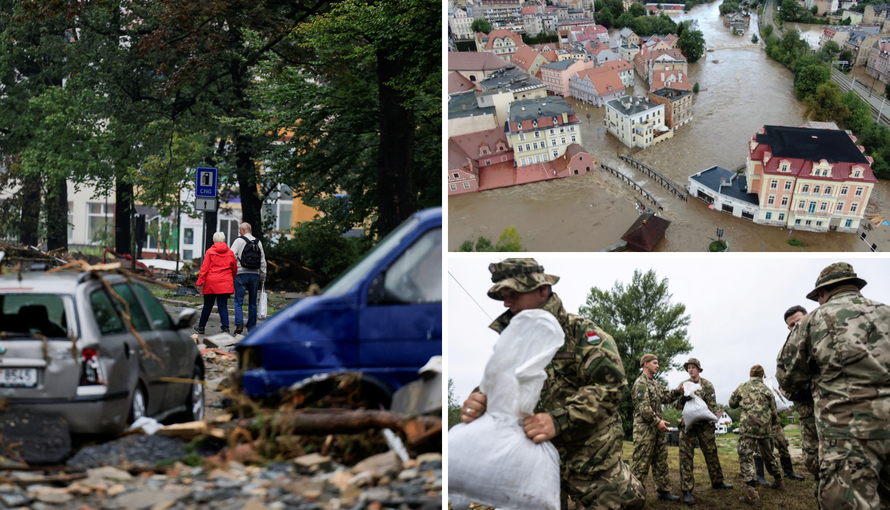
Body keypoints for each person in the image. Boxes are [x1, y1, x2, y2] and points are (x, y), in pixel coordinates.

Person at [461, 259, 645, 510]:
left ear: (542, 290)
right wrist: (480, 397)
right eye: (503, 296)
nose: (506, 303)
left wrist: (558, 419)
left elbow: (610, 388)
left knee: (629, 502)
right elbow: (497, 381)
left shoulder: (582, 333)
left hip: (589, 458)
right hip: (532, 459)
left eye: (513, 293)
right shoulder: (512, 339)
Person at [776, 262, 890, 509]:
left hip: (849, 436)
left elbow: (785, 376)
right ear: (854, 286)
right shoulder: (887, 312)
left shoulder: (814, 320)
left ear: (822, 293)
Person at [752, 307, 808, 486]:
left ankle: (789, 471)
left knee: (783, 445)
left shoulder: (769, 386)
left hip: (774, 422)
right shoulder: (748, 388)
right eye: (792, 324)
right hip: (760, 424)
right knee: (760, 450)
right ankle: (760, 475)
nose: (796, 326)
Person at [674, 358, 732, 506]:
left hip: (705, 425)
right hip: (688, 426)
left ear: (699, 369)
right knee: (686, 456)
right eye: (689, 368)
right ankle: (687, 491)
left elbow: (713, 405)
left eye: (693, 367)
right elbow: (675, 404)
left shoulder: (707, 385)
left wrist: (706, 418)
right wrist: (682, 400)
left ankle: (717, 481)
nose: (690, 370)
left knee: (711, 453)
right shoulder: (683, 385)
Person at [729, 364, 784, 507]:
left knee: (746, 458)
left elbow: (732, 403)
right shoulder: (768, 390)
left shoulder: (742, 386)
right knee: (769, 456)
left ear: (750, 375)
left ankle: (753, 495)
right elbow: (774, 412)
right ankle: (779, 483)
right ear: (762, 376)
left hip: (748, 429)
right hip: (765, 430)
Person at [631, 354, 684, 502]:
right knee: (641, 463)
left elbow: (666, 396)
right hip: (644, 430)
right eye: (655, 363)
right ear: (645, 364)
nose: (657, 365)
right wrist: (657, 421)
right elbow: (644, 407)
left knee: (661, 460)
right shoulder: (640, 383)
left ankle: (663, 491)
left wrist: (677, 392)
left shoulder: (655, 384)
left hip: (657, 429)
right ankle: (633, 495)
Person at [194, 232, 238, 335]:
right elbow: (234, 268)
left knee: (207, 306)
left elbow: (204, 268)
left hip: (211, 283)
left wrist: (200, 283)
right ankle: (225, 328)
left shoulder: (210, 252)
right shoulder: (230, 253)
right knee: (222, 305)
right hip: (225, 283)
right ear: (224, 240)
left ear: (214, 240)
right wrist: (231, 278)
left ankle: (201, 326)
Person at [230, 222, 267, 335]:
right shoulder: (258, 242)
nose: (239, 232)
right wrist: (263, 275)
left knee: (238, 302)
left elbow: (231, 256)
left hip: (241, 274)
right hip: (254, 275)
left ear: (243, 229)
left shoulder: (238, 241)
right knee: (252, 302)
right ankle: (251, 327)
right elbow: (262, 260)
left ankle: (239, 324)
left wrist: (233, 270)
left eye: (240, 230)